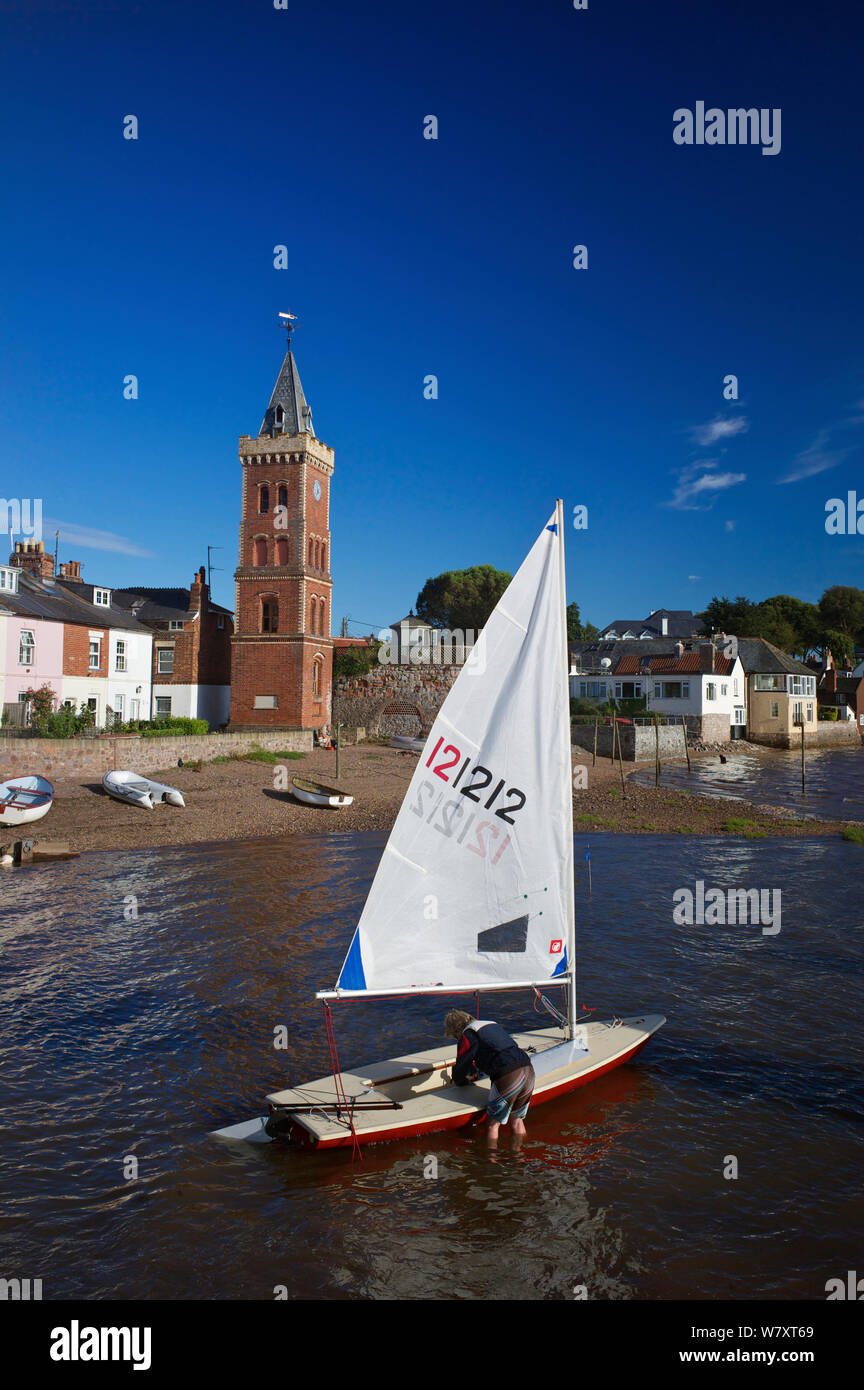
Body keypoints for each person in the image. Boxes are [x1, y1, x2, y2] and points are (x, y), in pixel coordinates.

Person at [443, 1010, 535, 1145]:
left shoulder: (468, 1034)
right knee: (517, 1120)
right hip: (528, 1069)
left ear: (456, 1030)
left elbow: (463, 1063)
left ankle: (491, 1162)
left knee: (493, 1124)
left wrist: (460, 1081)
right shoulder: (490, 1024)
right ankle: (519, 1159)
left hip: (508, 1074)